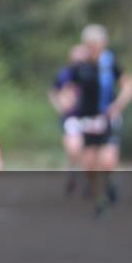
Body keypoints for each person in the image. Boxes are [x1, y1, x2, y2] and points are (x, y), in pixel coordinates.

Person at [69, 24, 132, 215]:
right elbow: (67, 88)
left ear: (103, 44)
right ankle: (99, 197)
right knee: (89, 163)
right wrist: (67, 103)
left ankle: (108, 186)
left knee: (107, 161)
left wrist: (117, 105)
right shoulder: (79, 66)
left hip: (107, 118)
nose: (93, 48)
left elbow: (129, 85)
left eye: (96, 44)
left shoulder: (110, 63)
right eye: (89, 44)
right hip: (87, 120)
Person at [48, 43, 91, 195]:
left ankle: (88, 180)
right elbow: (54, 92)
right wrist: (60, 107)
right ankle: (73, 174)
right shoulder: (64, 74)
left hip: (90, 117)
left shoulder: (93, 73)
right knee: (73, 149)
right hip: (71, 117)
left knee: (87, 151)